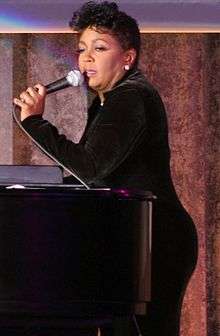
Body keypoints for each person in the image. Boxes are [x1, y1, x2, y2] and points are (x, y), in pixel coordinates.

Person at [13, 1, 198, 335]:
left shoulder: (131, 97)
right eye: (82, 49)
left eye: (99, 48)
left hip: (155, 239)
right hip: (130, 239)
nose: (86, 58)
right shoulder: (108, 101)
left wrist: (36, 124)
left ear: (127, 57)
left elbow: (92, 169)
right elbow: (98, 177)